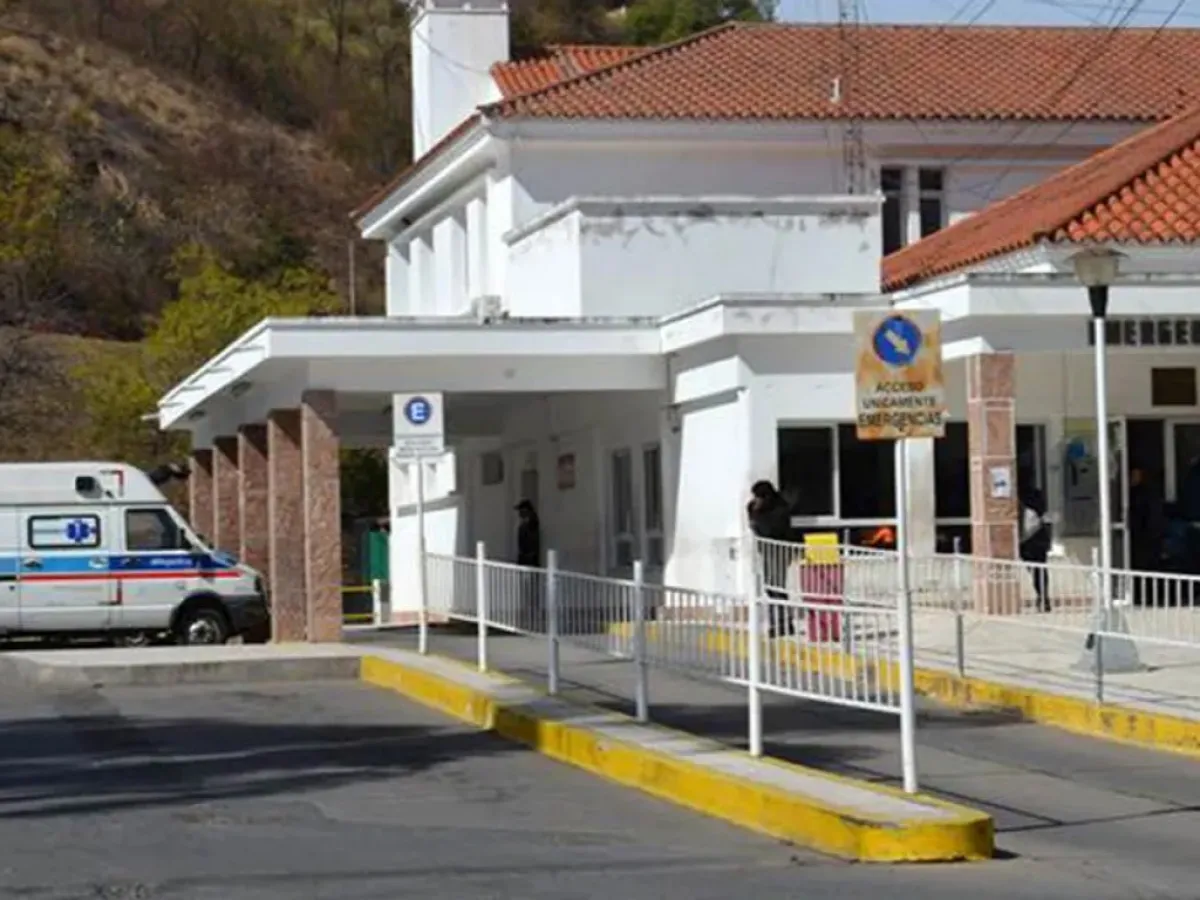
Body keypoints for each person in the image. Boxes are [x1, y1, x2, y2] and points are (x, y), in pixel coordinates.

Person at [746, 480, 793, 637]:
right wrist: (754, 512)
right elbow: (753, 525)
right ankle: (777, 621)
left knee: (778, 587)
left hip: (779, 551)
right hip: (766, 551)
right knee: (770, 587)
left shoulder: (780, 509)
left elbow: (768, 530)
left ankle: (783, 622)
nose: (756, 500)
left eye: (759, 497)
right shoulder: (756, 508)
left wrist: (757, 515)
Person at [1128, 467, 1165, 605]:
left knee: (1147, 567)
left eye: (1136, 475)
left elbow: (1152, 516)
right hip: (1140, 537)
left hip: (1146, 536)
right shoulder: (1132, 494)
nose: (1134, 478)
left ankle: (1149, 597)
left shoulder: (1144, 494)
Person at [1018, 486, 1052, 612]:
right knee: (1040, 572)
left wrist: (1021, 541)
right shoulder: (1037, 512)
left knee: (1036, 572)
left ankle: (1042, 598)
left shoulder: (1029, 512)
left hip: (1031, 544)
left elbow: (1030, 528)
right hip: (1037, 544)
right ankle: (1043, 597)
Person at [514, 500, 542, 630]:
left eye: (521, 511)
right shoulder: (524, 525)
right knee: (527, 590)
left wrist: (528, 557)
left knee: (531, 589)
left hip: (530, 562)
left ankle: (533, 613)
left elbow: (531, 544)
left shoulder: (531, 525)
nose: (519, 514)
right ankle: (529, 613)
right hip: (525, 561)